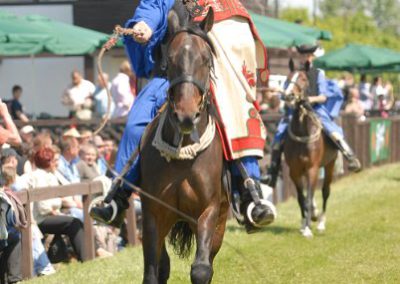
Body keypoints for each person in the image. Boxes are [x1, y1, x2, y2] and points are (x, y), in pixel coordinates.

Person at [91, 0, 276, 233]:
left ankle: (250, 194)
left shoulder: (227, 3)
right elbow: (152, 9)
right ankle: (117, 197)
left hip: (211, 79)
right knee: (137, 122)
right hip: (168, 78)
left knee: (238, 115)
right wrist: (144, 25)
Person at [262, 44, 362, 188]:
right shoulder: (293, 73)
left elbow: (323, 96)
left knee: (332, 131)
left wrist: (310, 99)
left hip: (315, 110)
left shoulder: (318, 73)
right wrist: (281, 94)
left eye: (307, 55)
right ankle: (272, 172)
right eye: (302, 55)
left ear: (312, 57)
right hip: (294, 111)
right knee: (278, 136)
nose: (305, 58)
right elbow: (285, 93)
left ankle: (350, 156)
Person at [28, 147, 85, 262]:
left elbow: (68, 186)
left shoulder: (51, 174)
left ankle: (89, 254)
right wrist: (57, 213)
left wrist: (55, 172)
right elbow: (43, 207)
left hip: (49, 214)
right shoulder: (39, 176)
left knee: (76, 220)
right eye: (54, 160)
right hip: (39, 219)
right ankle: (87, 258)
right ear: (48, 162)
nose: (57, 163)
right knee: (73, 223)